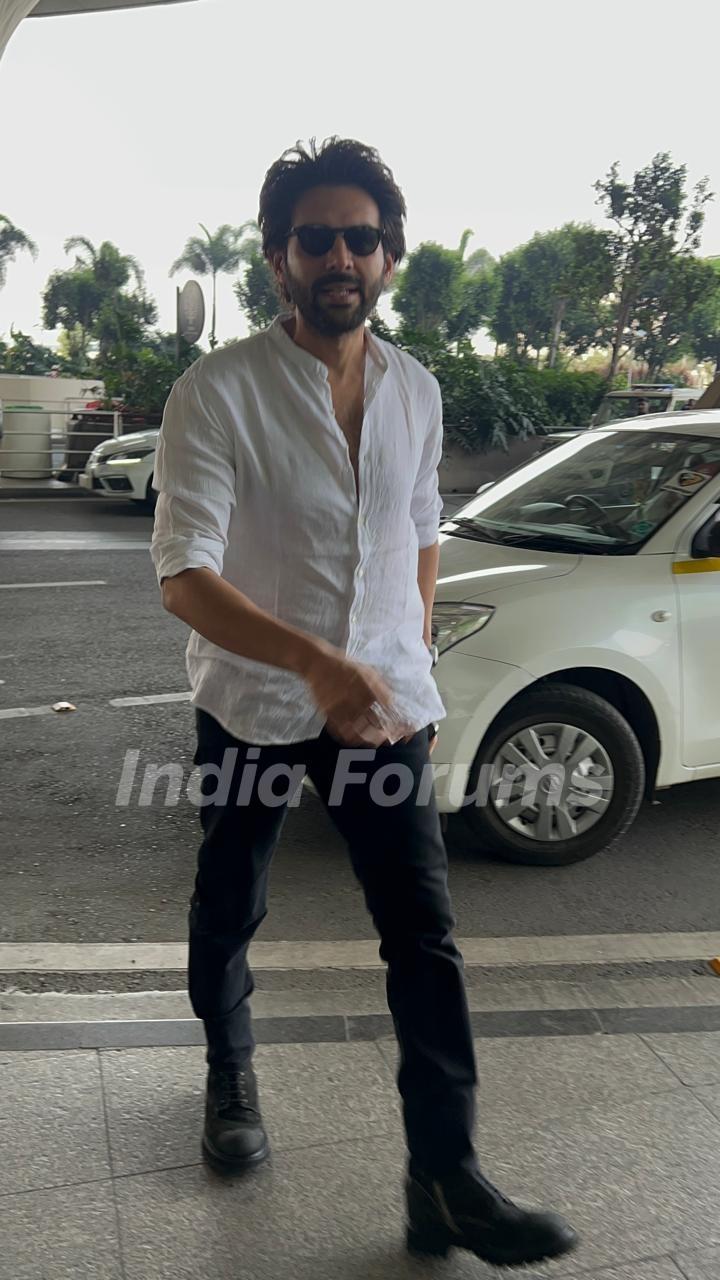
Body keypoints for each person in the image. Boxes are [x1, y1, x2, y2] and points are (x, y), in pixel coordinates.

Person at [150, 137, 577, 1270]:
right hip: (251, 705)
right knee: (230, 897)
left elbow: (421, 532)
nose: (341, 254)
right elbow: (185, 574)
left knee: (423, 934)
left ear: (389, 255)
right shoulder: (217, 392)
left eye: (361, 237)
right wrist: (316, 665)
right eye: (316, 237)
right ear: (277, 256)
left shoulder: (416, 389)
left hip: (386, 709)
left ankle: (446, 1172)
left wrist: (405, 649)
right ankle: (229, 1071)